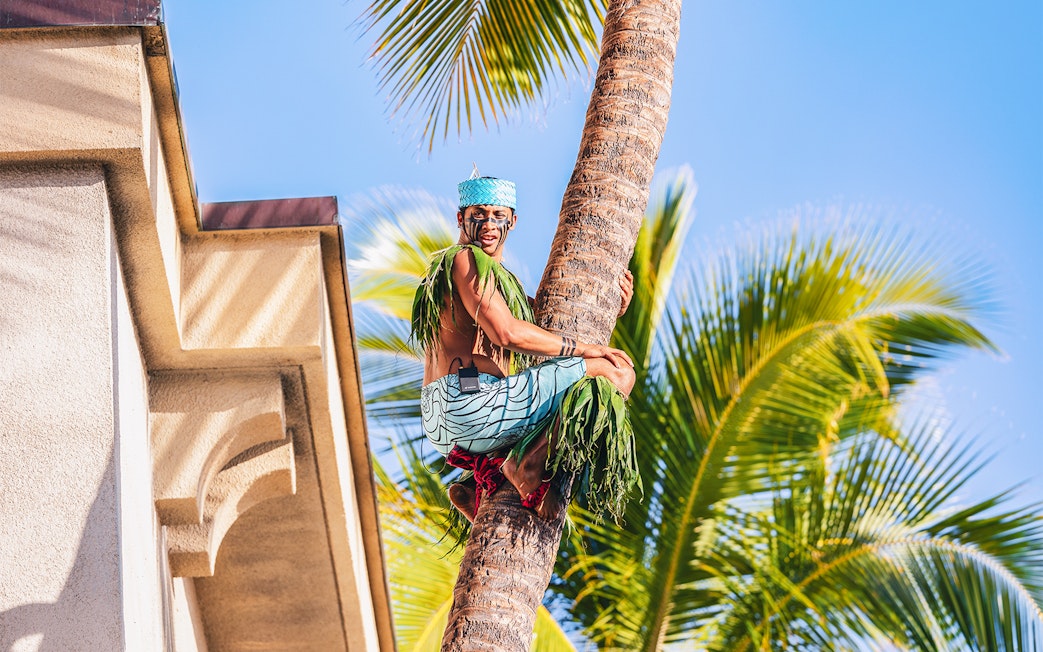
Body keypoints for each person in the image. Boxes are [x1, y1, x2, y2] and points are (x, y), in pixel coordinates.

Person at [412, 171, 637, 521]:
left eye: (498, 216)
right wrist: (586, 351)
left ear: (512, 221)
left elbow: (545, 327)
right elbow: (508, 333)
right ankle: (525, 463)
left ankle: (476, 483)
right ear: (461, 218)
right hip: (467, 405)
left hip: (447, 419)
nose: (489, 224)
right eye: (479, 214)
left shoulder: (499, 283)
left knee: (569, 377)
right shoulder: (464, 260)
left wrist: (612, 306)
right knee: (616, 372)